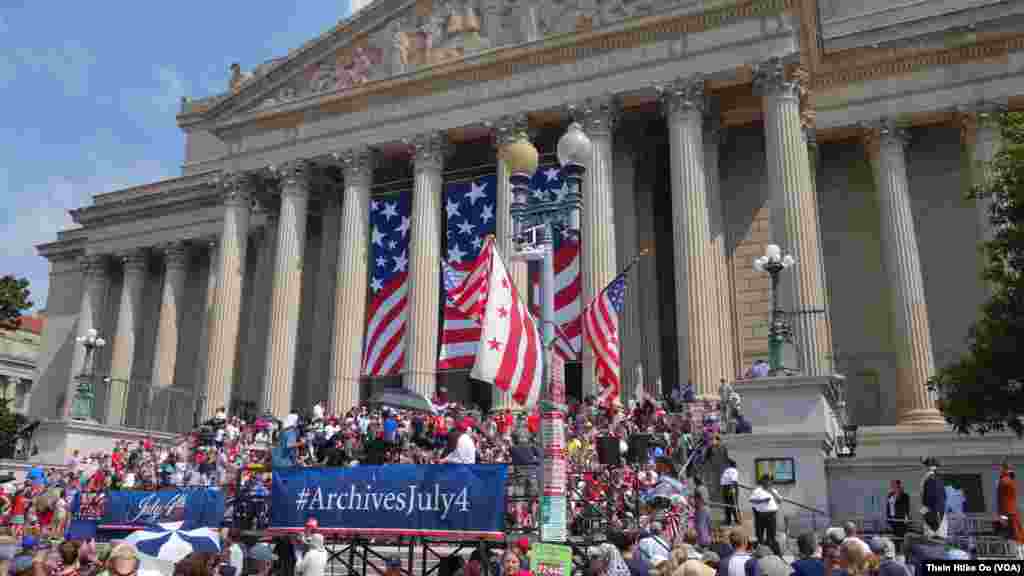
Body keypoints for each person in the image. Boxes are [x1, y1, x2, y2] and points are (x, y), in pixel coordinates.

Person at [998, 460, 1024, 560]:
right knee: (1017, 536)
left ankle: (1018, 557)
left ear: (1003, 468)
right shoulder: (1010, 479)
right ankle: (1019, 555)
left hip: (1008, 512)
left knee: (1012, 537)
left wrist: (1002, 515)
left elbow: (1002, 499)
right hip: (1013, 511)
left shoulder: (1004, 480)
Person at [749, 476, 781, 556]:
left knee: (771, 536)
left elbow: (779, 500)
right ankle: (760, 553)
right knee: (760, 536)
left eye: (770, 481)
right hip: (761, 515)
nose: (769, 482)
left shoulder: (773, 490)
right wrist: (762, 501)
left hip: (772, 515)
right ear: (763, 481)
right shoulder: (758, 490)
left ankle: (773, 554)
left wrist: (772, 492)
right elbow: (751, 500)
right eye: (767, 480)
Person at [920, 458, 946, 540]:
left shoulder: (931, 478)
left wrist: (925, 512)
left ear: (928, 467)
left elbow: (932, 498)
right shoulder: (937, 478)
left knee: (933, 539)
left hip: (933, 514)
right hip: (936, 513)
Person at [885, 481, 910, 554]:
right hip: (892, 518)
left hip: (900, 519)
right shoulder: (890, 495)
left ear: (898, 486)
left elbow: (906, 508)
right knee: (894, 536)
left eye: (894, 485)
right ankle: (896, 551)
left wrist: (906, 517)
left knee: (900, 537)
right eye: (892, 485)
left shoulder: (905, 496)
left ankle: (900, 552)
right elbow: (888, 507)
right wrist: (888, 517)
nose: (892, 487)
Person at [721, 460, 740, 526]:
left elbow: (723, 481)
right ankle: (737, 520)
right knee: (734, 504)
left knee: (727, 505)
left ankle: (728, 520)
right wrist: (733, 489)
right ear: (734, 465)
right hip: (731, 487)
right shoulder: (734, 470)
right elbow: (733, 480)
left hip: (725, 488)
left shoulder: (726, 470)